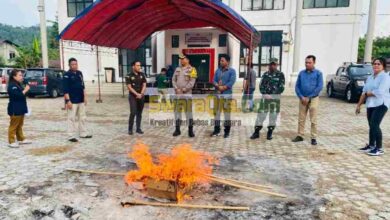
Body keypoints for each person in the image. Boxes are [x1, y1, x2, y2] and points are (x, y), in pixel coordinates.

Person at [356, 58, 390, 156]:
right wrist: (358, 105)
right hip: (370, 104)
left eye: (378, 64)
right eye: (374, 64)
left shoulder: (385, 77)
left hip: (381, 104)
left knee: (375, 124)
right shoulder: (370, 77)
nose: (376, 65)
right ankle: (371, 145)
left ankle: (379, 148)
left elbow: (380, 92)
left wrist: (367, 93)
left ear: (383, 66)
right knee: (371, 125)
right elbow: (364, 92)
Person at [251, 58, 285, 140]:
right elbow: (261, 86)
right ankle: (256, 132)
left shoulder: (280, 75)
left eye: (274, 64)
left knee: (273, 116)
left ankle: (270, 133)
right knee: (260, 115)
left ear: (277, 65)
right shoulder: (265, 74)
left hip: (275, 100)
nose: (272, 66)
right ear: (269, 65)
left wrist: (272, 96)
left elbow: (281, 87)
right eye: (271, 64)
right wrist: (265, 94)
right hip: (265, 99)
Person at [292, 55, 323, 145]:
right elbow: (297, 86)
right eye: (306, 62)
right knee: (301, 118)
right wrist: (301, 96)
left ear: (314, 63)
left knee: (313, 119)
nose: (307, 64)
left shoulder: (318, 73)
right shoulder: (301, 73)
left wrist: (309, 97)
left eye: (309, 62)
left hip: (313, 98)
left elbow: (319, 87)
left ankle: (313, 137)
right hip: (302, 99)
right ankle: (300, 135)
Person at [63, 58, 92, 142]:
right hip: (72, 101)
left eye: (76, 64)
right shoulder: (66, 75)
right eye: (72, 64)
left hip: (81, 99)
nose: (74, 66)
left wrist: (85, 97)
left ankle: (83, 133)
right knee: (71, 118)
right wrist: (68, 101)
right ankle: (70, 136)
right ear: (69, 65)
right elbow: (65, 90)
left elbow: (83, 86)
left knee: (82, 117)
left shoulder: (79, 73)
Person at [211, 55, 237, 138]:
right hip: (218, 95)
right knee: (217, 114)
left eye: (222, 60)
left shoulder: (232, 71)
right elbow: (213, 80)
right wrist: (217, 86)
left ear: (227, 62)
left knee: (226, 114)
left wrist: (224, 87)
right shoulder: (217, 71)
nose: (220, 62)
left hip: (227, 96)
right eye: (220, 61)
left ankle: (227, 131)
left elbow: (231, 81)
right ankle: (216, 130)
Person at [172, 54, 197, 137]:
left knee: (188, 113)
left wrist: (183, 89)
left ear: (188, 60)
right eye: (180, 59)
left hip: (186, 95)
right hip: (177, 95)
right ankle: (177, 130)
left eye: (183, 58)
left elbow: (192, 82)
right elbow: (173, 80)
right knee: (177, 113)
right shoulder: (177, 69)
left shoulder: (192, 70)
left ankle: (190, 131)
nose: (181, 60)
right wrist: (176, 88)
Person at [7, 69, 32, 148]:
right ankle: (11, 141)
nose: (22, 77)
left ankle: (21, 139)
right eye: (20, 75)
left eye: (22, 75)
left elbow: (23, 95)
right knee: (13, 125)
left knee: (19, 125)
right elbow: (17, 95)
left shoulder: (18, 84)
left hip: (21, 107)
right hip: (15, 108)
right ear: (14, 76)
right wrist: (25, 90)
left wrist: (26, 88)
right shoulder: (12, 85)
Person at [126, 61, 147, 135]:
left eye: (140, 65)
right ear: (133, 66)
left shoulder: (142, 74)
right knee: (133, 112)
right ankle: (130, 129)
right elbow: (129, 87)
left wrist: (141, 93)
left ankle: (138, 128)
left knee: (139, 113)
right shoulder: (128, 75)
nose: (139, 67)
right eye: (137, 65)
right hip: (133, 96)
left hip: (141, 95)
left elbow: (144, 85)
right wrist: (136, 94)